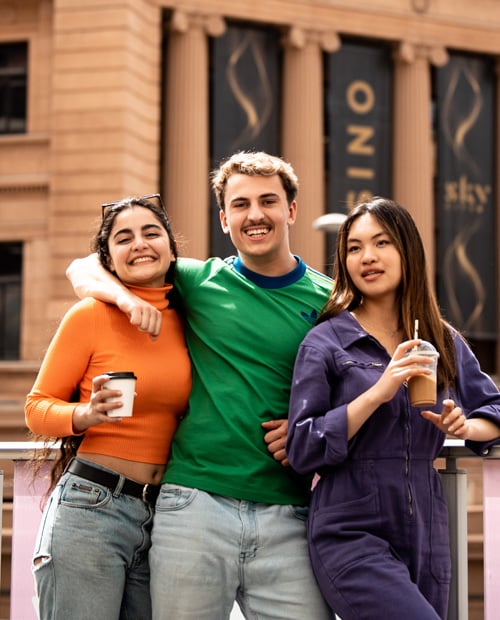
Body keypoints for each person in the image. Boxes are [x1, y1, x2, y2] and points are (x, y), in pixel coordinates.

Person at [66, 151, 332, 619]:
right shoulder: (196, 279)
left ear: (291, 210)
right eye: (240, 204)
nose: (255, 215)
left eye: (268, 201)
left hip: (289, 513)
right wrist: (127, 300)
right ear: (224, 219)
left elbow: (357, 385)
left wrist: (313, 431)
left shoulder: (330, 299)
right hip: (193, 506)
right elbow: (82, 267)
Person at [286, 197, 500, 620]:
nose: (367, 257)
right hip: (350, 529)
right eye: (354, 248)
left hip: (427, 530)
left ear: (407, 251)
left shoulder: (441, 340)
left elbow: (492, 408)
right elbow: (302, 446)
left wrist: (464, 427)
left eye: (382, 243)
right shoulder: (326, 341)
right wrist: (377, 393)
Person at [25, 194, 192, 620]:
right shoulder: (90, 316)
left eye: (151, 233)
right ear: (109, 259)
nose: (139, 243)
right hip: (91, 506)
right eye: (124, 238)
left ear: (172, 249)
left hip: (166, 516)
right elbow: (37, 409)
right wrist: (85, 414)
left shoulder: (191, 319)